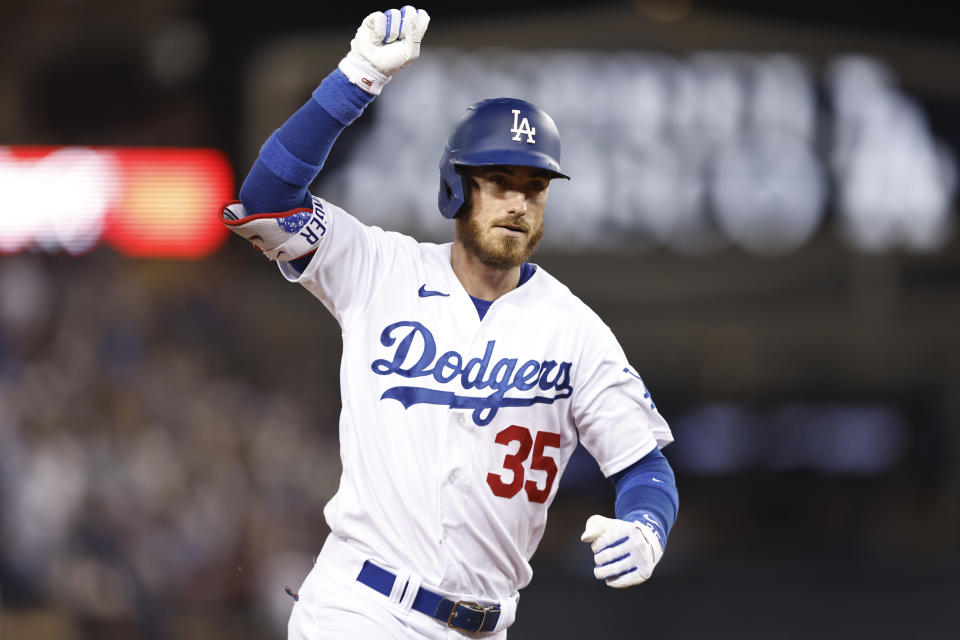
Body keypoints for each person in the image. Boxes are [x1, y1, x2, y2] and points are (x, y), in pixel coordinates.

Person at [221, 7, 678, 638]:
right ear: (455, 189)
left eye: (535, 187)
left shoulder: (576, 331)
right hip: (361, 607)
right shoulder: (377, 266)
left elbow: (644, 466)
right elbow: (266, 200)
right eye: (499, 182)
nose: (519, 202)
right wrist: (352, 81)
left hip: (484, 625)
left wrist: (646, 527)